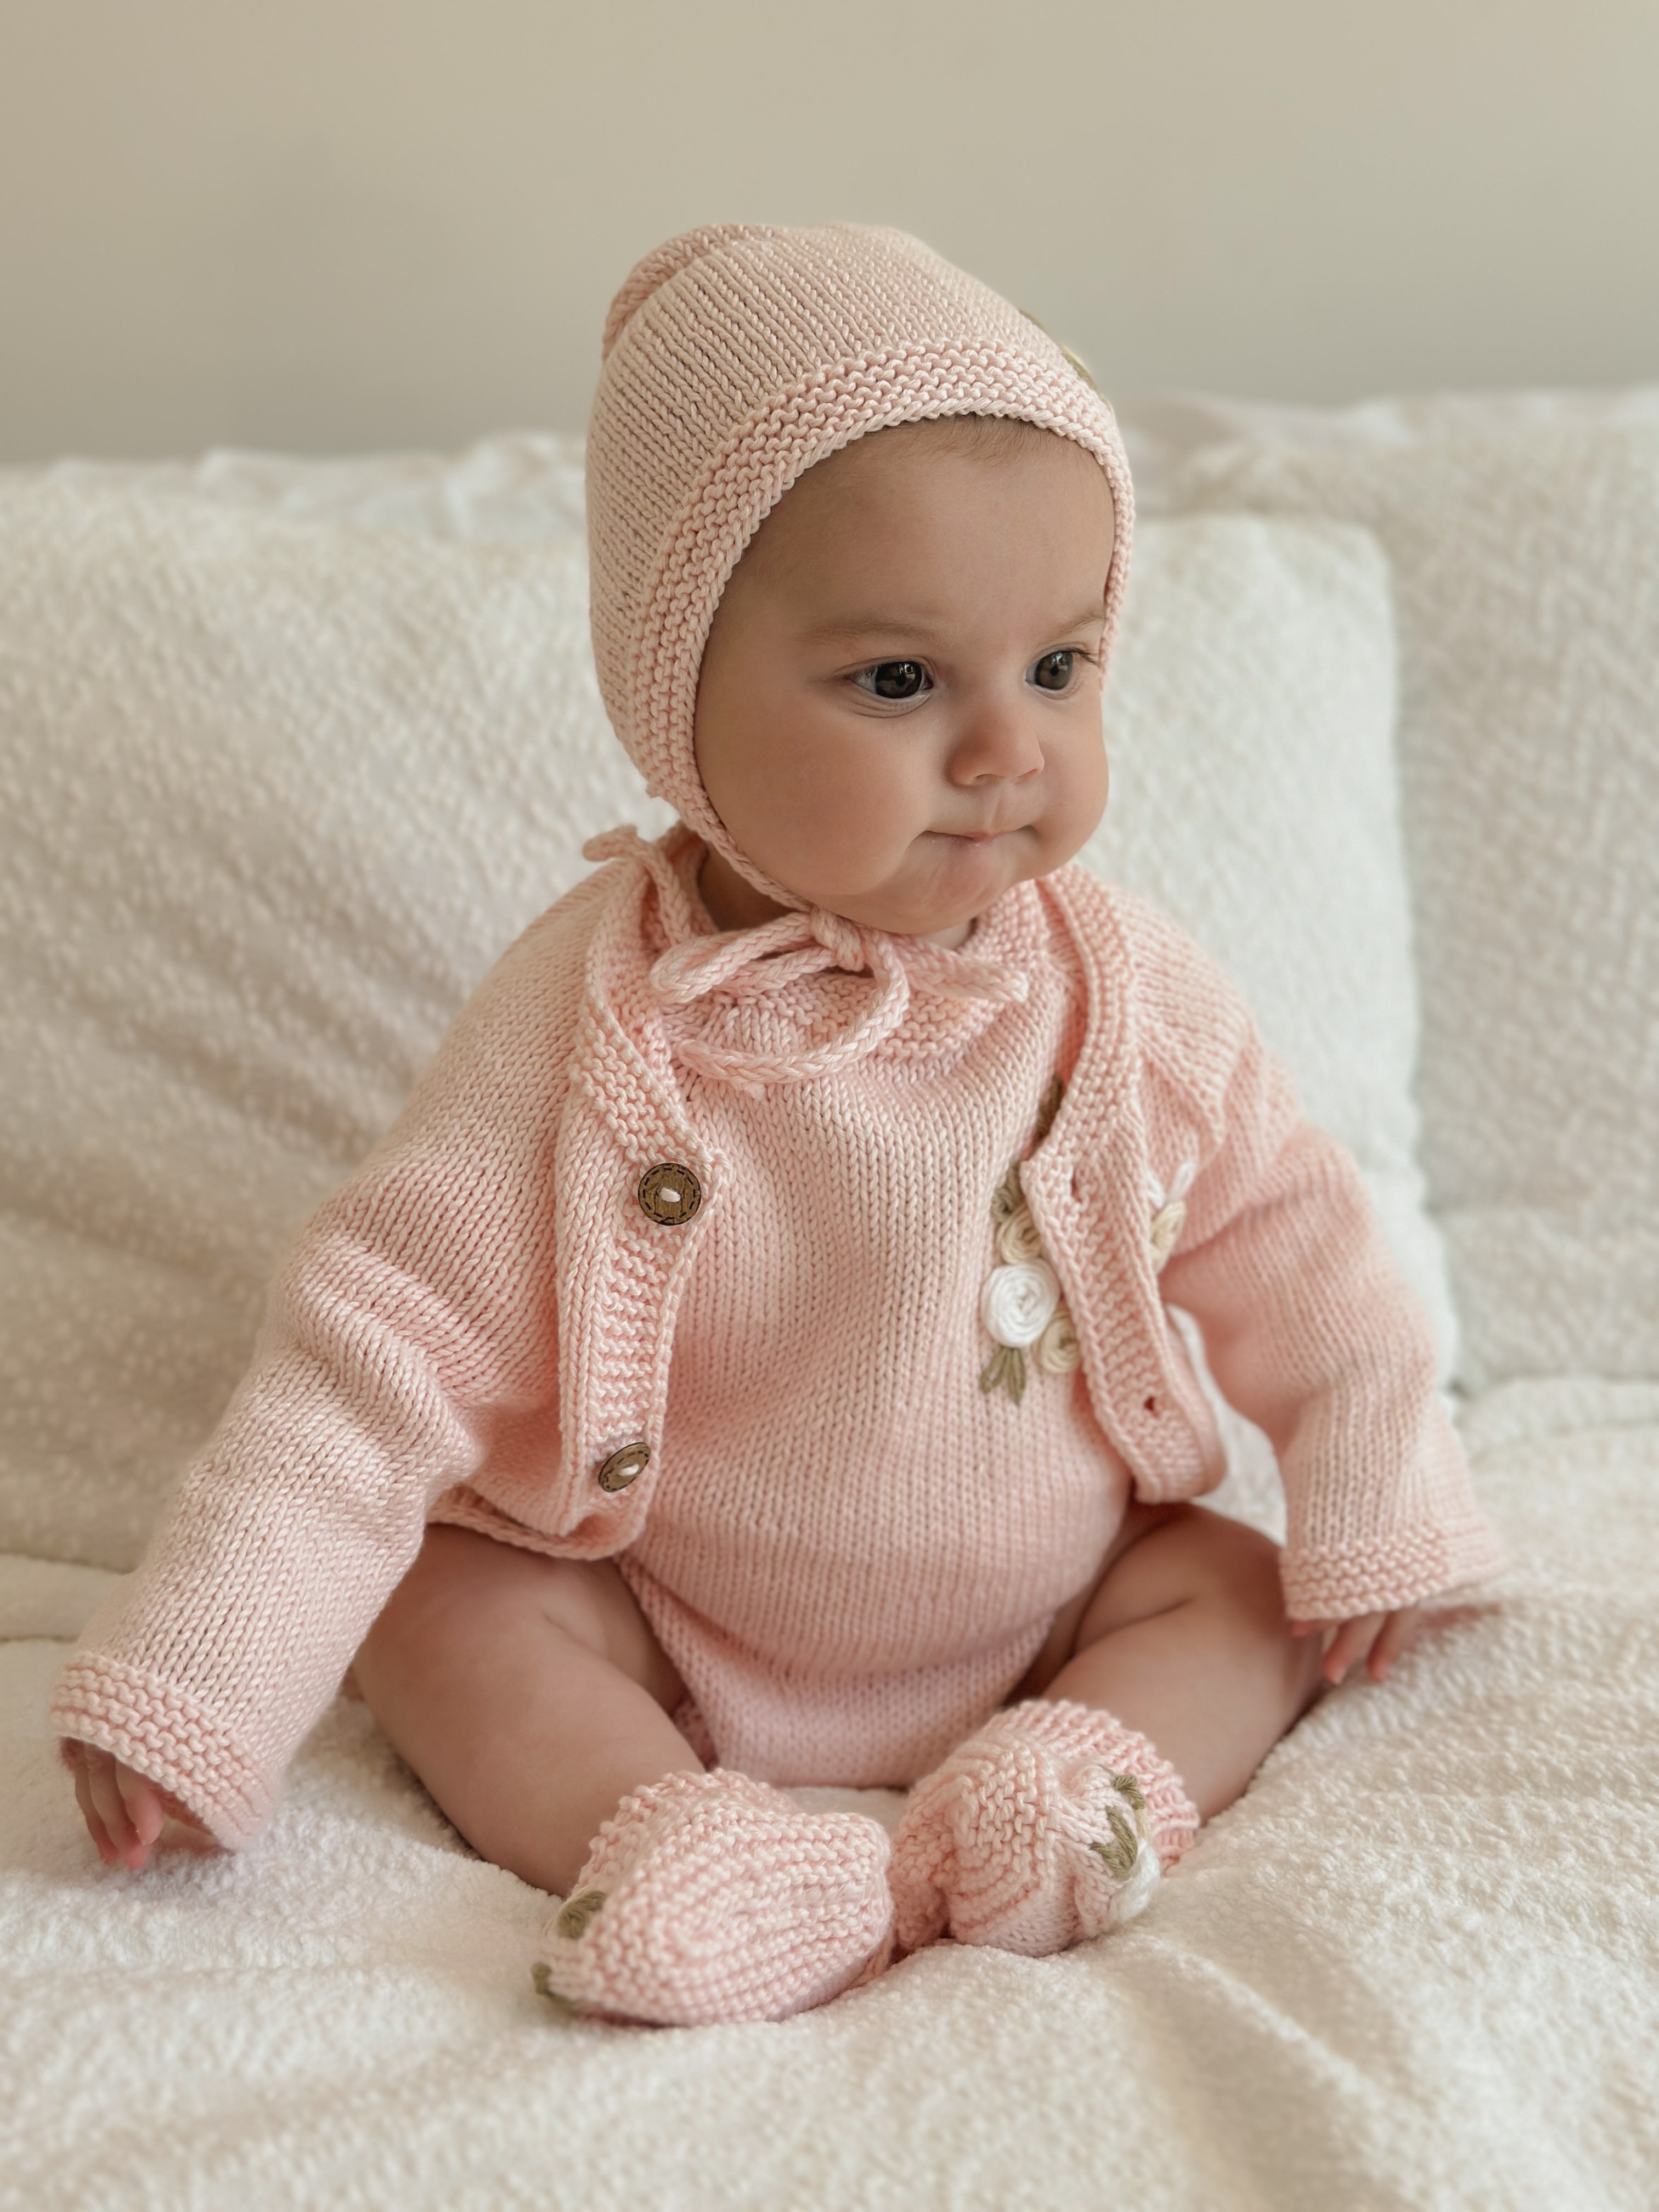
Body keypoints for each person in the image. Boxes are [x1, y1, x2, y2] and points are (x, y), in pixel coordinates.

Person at [54, 224, 1502, 2029]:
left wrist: (1383, 1493)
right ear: (678, 702)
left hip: (1059, 1604)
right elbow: (369, 1363)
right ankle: (678, 1843)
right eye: (902, 682)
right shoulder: (587, 1031)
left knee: (1244, 1577)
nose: (1006, 751)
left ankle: (1078, 1792)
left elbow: (1307, 1247)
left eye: (1060, 666)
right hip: (668, 1623)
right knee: (439, 1602)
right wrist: (200, 1686)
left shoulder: (1121, 991)